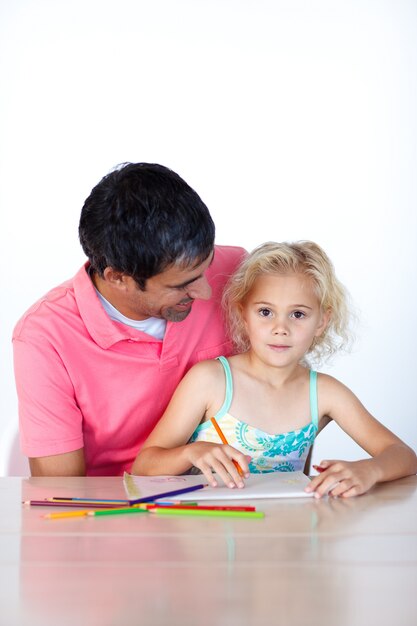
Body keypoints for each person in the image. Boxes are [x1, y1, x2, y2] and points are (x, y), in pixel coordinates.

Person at [13, 163, 246, 477]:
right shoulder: (44, 337)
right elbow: (62, 493)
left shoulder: (238, 272)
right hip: (115, 511)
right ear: (118, 277)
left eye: (207, 266)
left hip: (228, 500)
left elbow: (291, 388)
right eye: (181, 285)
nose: (206, 291)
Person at [134, 241, 417, 497]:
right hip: (210, 541)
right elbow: (144, 465)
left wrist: (369, 470)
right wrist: (190, 453)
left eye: (298, 314)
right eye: (265, 312)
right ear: (243, 314)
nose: (280, 329)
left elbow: (403, 455)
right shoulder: (210, 380)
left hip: (286, 540)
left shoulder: (324, 393)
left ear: (321, 322)